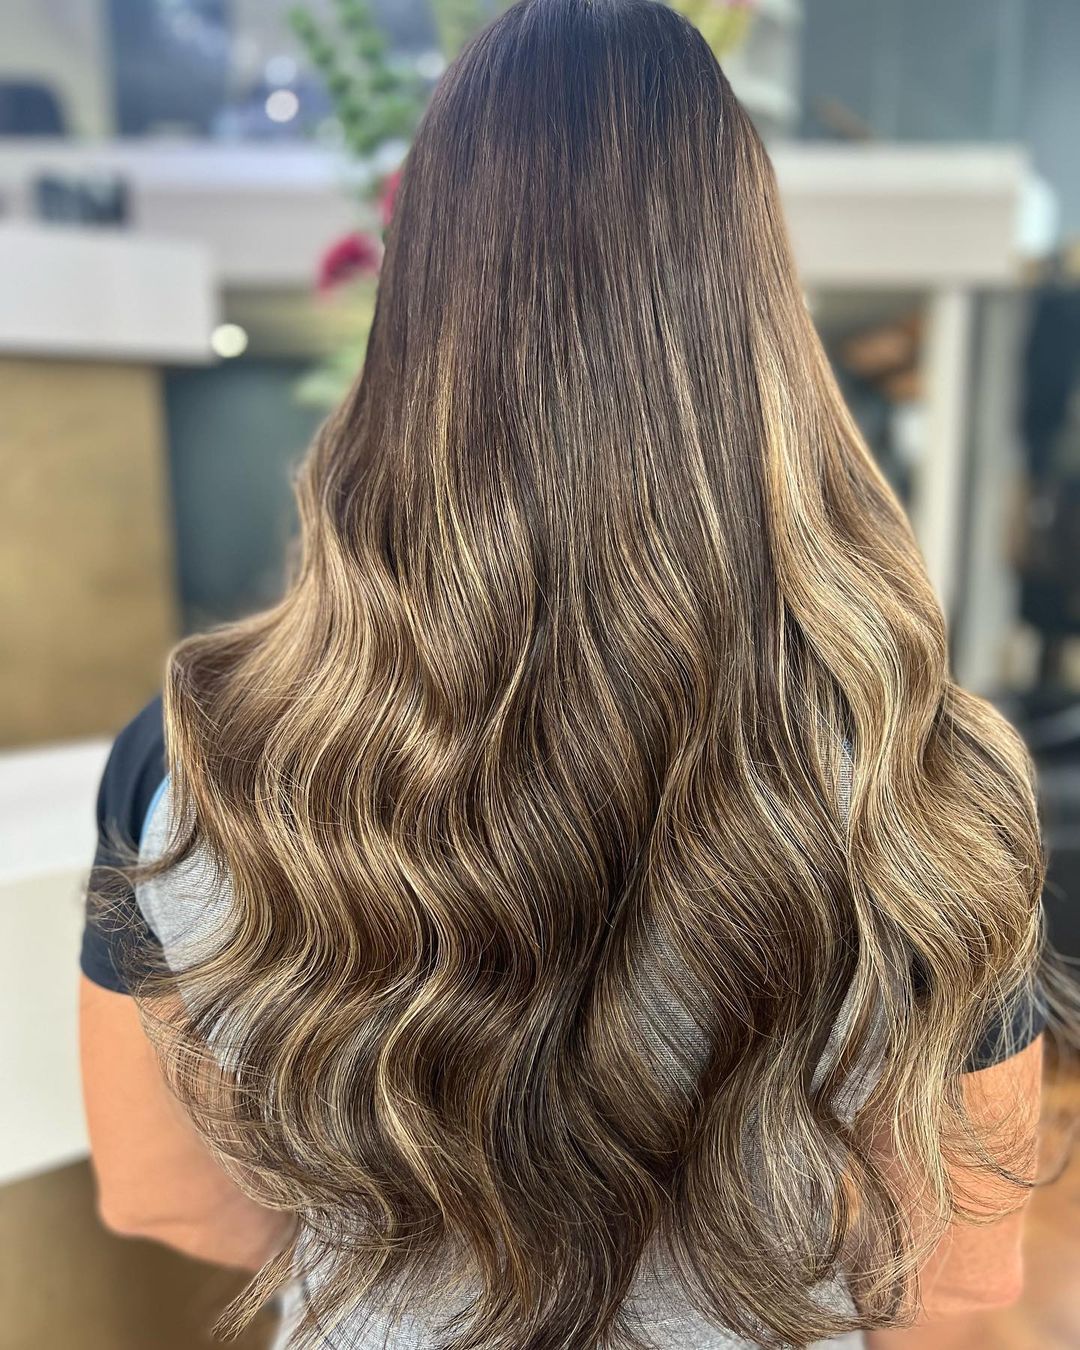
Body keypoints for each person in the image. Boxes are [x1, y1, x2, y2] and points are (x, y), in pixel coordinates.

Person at [79, 2, 1070, 1347]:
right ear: (757, 312)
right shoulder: (926, 772)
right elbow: (958, 1272)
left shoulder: (193, 756)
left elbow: (158, 1191)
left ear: (419, 308)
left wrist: (433, 1281)